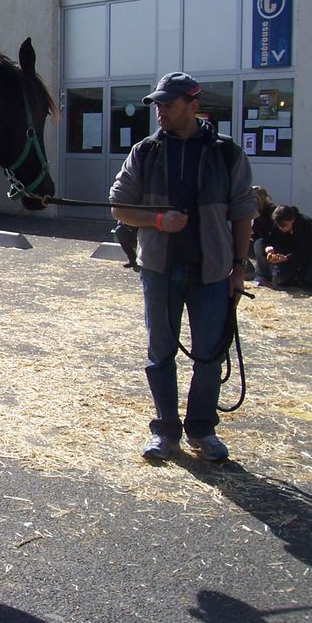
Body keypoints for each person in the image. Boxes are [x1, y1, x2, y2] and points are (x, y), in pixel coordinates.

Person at [109, 72, 256, 463]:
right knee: (160, 354)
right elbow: (119, 207)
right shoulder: (145, 152)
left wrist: (238, 269)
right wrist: (158, 221)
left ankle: (202, 430)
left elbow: (243, 213)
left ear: (193, 106)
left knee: (210, 355)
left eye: (168, 104)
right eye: (157, 104)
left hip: (212, 273)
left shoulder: (227, 153)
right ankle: (165, 431)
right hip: (160, 269)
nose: (160, 111)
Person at [263, 205, 312, 289]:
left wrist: (287, 257)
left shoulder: (306, 225)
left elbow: (305, 249)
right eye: (278, 225)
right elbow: (269, 239)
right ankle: (288, 277)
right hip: (294, 252)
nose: (280, 228)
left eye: (284, 225)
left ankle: (311, 280)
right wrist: (268, 248)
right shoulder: (278, 225)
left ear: (292, 220)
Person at [250, 186, 276, 286]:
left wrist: (258, 218)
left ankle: (262, 275)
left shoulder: (271, 211)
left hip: (269, 243)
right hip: (258, 241)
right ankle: (248, 270)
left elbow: (269, 232)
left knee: (259, 243)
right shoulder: (254, 210)